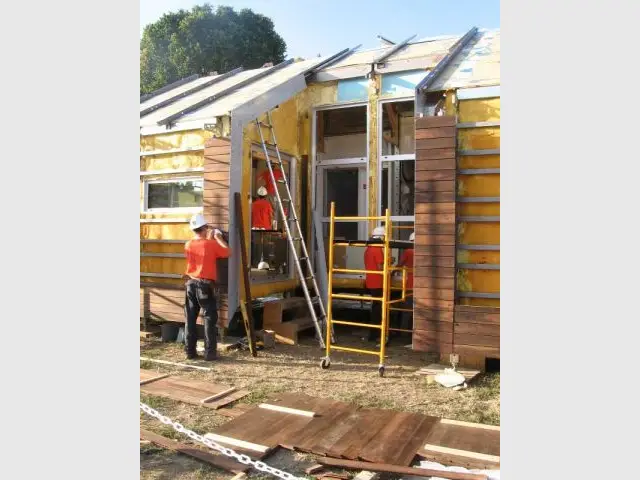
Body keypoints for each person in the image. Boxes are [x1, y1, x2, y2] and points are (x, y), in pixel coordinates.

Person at [183, 213, 231, 361]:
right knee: (209, 318)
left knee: (190, 319)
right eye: (207, 228)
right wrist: (218, 237)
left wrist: (209, 238)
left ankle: (190, 352)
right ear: (204, 228)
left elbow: (201, 250)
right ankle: (210, 353)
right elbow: (227, 251)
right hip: (204, 286)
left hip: (190, 284)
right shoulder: (211, 244)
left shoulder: (188, 244)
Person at [364, 226, 386, 343]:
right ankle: (375, 334)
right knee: (377, 310)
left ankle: (373, 333)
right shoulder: (377, 249)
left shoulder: (368, 249)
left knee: (375, 307)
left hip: (370, 281)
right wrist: (389, 266)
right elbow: (380, 267)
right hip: (378, 282)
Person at [396, 232, 415, 334]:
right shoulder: (423, 252)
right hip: (421, 286)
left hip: (410, 285)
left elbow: (400, 264)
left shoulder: (408, 251)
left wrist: (392, 271)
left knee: (407, 309)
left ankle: (403, 331)